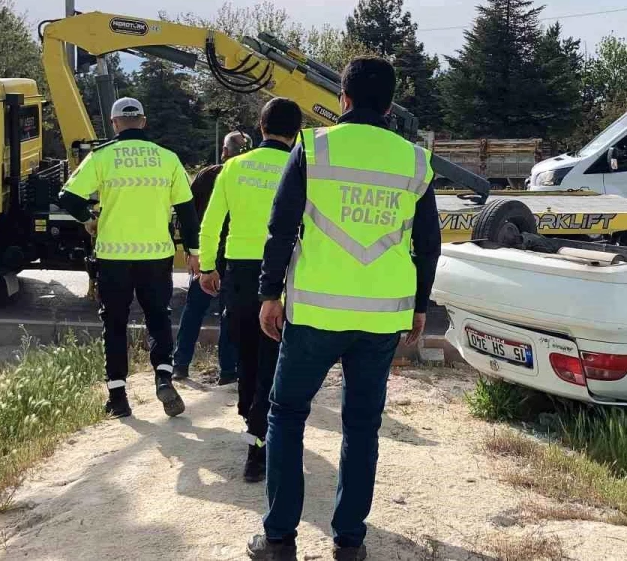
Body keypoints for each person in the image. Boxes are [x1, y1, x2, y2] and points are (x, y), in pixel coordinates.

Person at [247, 58, 441, 561]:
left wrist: (270, 293)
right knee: (361, 426)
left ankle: (278, 540)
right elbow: (428, 243)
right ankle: (349, 542)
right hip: (381, 318)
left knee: (286, 416)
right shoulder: (415, 160)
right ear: (391, 105)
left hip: (315, 313)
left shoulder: (313, 147)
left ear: (343, 99)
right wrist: (419, 306)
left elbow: (281, 226)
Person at [58, 97, 201, 419]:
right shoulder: (168, 159)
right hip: (156, 254)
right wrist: (194, 253)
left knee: (115, 324)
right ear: (144, 121)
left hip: (113, 255)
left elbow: (67, 195)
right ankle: (164, 376)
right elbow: (188, 213)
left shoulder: (102, 156)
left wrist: (88, 218)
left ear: (114, 123)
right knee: (159, 318)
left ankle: (118, 397)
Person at [197, 99, 302, 484]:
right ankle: (258, 441)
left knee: (246, 352)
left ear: (260, 127)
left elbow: (211, 223)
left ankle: (250, 418)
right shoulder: (302, 168)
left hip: (240, 274)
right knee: (273, 356)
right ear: (297, 132)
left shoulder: (234, 166)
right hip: (285, 275)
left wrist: (208, 266)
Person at [171, 130, 252, 384]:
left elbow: (188, 215)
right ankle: (228, 371)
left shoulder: (207, 176)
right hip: (236, 254)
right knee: (230, 312)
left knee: (195, 308)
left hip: (209, 252)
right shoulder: (251, 176)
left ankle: (180, 364)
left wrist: (191, 251)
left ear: (224, 151)